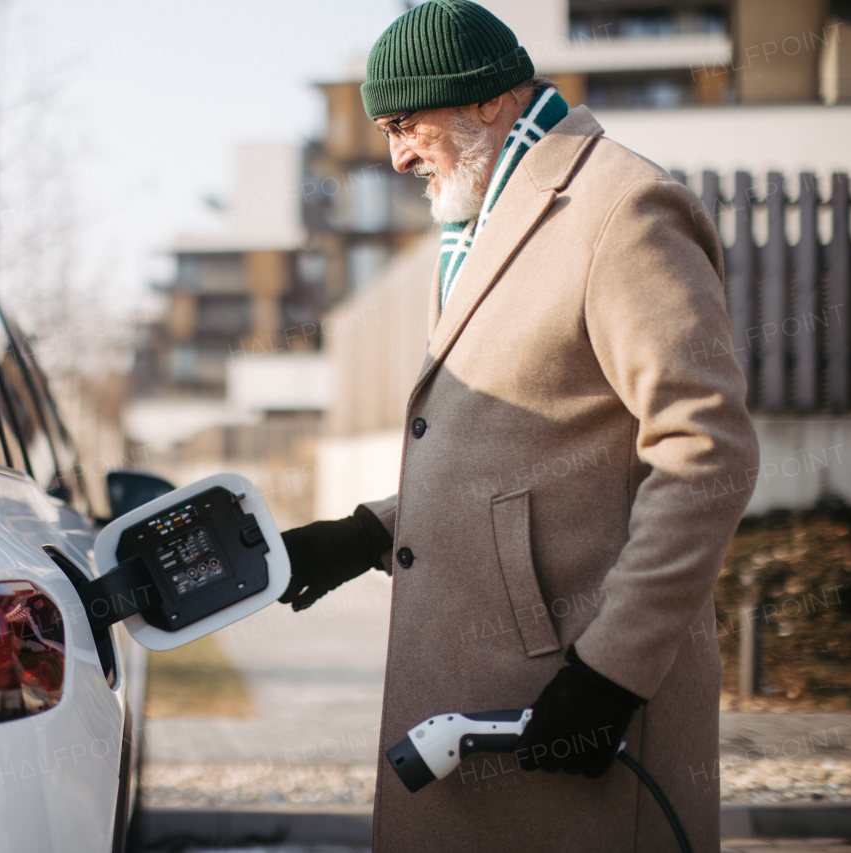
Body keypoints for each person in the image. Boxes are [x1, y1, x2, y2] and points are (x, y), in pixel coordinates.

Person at [277, 1, 759, 850]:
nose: (395, 156)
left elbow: (705, 452)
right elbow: (530, 457)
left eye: (404, 124)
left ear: (488, 102)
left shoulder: (622, 209)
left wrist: (614, 670)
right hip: (493, 697)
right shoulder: (481, 221)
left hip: (570, 703)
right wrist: (366, 535)